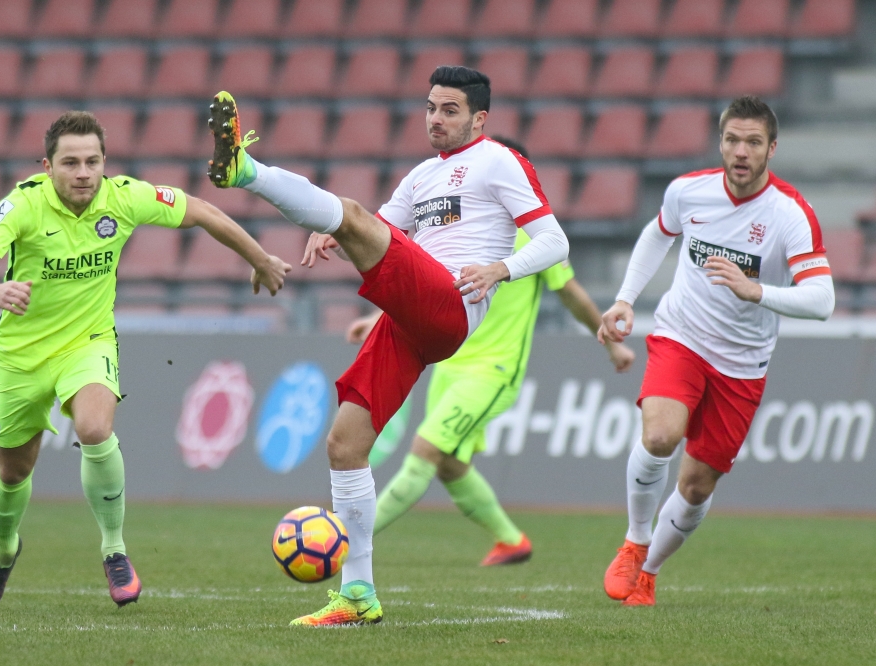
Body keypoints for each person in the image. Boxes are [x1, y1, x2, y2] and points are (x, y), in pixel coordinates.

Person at [207, 67, 570, 625]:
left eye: (449, 110)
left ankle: (246, 170)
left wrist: (501, 268)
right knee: (345, 444)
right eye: (430, 108)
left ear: (479, 118)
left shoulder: (500, 160)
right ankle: (358, 596)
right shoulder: (423, 176)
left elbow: (554, 240)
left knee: (348, 213)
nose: (435, 119)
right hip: (412, 318)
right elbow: (384, 232)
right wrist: (334, 232)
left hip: (451, 305)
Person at [0, 111, 290, 609]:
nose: (83, 172)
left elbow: (203, 211)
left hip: (89, 343)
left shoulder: (124, 196)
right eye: (70, 163)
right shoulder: (23, 204)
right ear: (48, 166)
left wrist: (258, 257)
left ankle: (114, 550)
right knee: (14, 471)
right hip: (20, 357)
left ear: (105, 162)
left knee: (94, 427)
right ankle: (3, 551)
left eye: (92, 161)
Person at [345, 137, 635, 566]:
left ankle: (345, 544)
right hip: (449, 362)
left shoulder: (532, 237)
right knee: (447, 464)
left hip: (492, 371)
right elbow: (425, 291)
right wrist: (375, 321)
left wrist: (611, 346)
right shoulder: (462, 228)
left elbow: (571, 294)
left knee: (424, 452)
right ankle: (510, 540)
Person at [598, 96, 834, 607]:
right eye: (732, 140)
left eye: (753, 142)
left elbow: (822, 300)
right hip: (682, 334)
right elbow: (657, 234)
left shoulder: (790, 214)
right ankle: (635, 543)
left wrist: (758, 292)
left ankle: (650, 572)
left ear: (772, 148)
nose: (741, 152)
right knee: (660, 435)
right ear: (720, 142)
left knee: (698, 485)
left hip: (742, 362)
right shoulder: (688, 191)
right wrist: (624, 298)